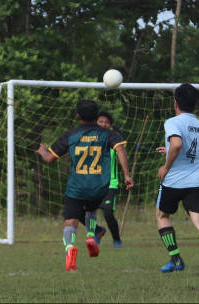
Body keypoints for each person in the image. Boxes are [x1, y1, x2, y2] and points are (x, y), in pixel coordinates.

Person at [36, 99, 134, 273]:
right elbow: (120, 150)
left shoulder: (70, 135)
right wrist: (127, 175)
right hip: (99, 186)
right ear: (97, 116)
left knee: (70, 222)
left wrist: (42, 150)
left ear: (78, 116)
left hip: (76, 187)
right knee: (90, 211)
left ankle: (70, 249)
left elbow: (49, 158)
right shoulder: (108, 134)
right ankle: (90, 236)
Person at [155, 83, 199, 279]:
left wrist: (166, 166)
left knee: (162, 216)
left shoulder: (172, 122)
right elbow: (194, 153)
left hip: (174, 181)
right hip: (197, 181)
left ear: (175, 103)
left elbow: (177, 144)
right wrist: (167, 150)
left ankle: (176, 259)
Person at [83, 111, 124, 248]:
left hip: (110, 183)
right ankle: (97, 230)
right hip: (92, 183)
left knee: (107, 211)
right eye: (101, 121)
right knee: (78, 211)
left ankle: (117, 240)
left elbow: (121, 151)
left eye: (107, 122)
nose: (104, 124)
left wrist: (119, 137)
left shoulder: (112, 140)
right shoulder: (89, 140)